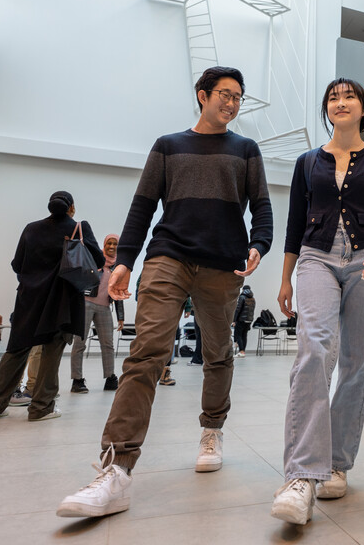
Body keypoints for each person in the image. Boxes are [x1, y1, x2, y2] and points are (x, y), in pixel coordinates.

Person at [57, 66, 273, 518]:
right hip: (167, 256)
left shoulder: (246, 150)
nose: (232, 103)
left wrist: (258, 246)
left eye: (239, 97)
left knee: (218, 352)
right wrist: (123, 263)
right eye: (224, 95)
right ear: (202, 95)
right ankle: (116, 468)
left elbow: (262, 207)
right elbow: (142, 206)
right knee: (146, 353)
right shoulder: (168, 145)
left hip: (223, 265)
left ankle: (211, 428)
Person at [270, 78, 364, 525]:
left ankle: (338, 464)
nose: (340, 102)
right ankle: (301, 474)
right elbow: (293, 225)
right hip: (315, 258)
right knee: (315, 350)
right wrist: (286, 278)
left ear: (363, 108)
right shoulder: (308, 162)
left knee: (357, 360)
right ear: (327, 109)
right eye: (332, 97)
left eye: (348, 97)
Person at [0, 191, 103, 421]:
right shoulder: (79, 228)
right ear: (71, 208)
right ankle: (41, 408)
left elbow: (17, 264)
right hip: (61, 300)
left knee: (16, 351)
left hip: (29, 299)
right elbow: (99, 261)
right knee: (51, 353)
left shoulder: (31, 228)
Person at [71, 234, 124, 394]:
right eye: (109, 243)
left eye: (115, 243)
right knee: (79, 343)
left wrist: (120, 317)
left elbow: (119, 291)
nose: (112, 246)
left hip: (105, 307)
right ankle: (77, 380)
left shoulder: (118, 266)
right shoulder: (95, 258)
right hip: (86, 304)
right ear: (104, 243)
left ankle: (110, 378)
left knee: (108, 344)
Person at [233, 285, 255, 357]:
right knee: (244, 335)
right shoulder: (253, 299)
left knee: (238, 334)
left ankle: (241, 351)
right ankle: (243, 352)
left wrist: (234, 320)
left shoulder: (242, 297)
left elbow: (238, 309)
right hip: (249, 320)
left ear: (243, 290)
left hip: (241, 320)